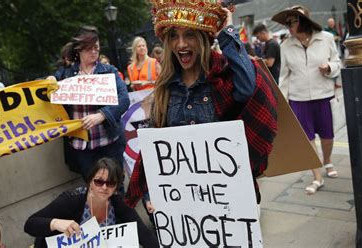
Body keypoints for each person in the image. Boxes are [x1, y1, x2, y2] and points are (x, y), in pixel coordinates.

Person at [125, 0, 277, 208]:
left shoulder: (222, 76)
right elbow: (155, 146)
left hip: (228, 199)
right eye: (174, 36)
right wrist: (152, 191)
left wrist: (227, 34)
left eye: (189, 34)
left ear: (203, 38)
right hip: (185, 203)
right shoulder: (165, 88)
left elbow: (249, 89)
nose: (181, 44)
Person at [273, 5, 341, 194]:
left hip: (323, 95)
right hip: (299, 99)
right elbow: (284, 76)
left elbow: (338, 62)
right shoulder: (285, 45)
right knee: (307, 139)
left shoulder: (325, 38)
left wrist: (329, 67)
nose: (288, 26)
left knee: (328, 137)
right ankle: (317, 177)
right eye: (287, 23)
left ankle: (327, 161)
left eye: (291, 22)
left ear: (303, 21)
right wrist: (282, 102)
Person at [24, 158, 158, 248]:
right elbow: (30, 224)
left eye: (110, 183)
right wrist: (56, 223)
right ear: (90, 182)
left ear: (116, 187)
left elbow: (145, 235)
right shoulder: (72, 199)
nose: (104, 187)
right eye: (99, 182)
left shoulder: (119, 202)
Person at [53, 28, 130, 182]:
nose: (94, 52)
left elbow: (124, 99)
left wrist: (101, 115)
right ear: (79, 50)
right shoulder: (64, 75)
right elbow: (48, 96)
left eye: (97, 48)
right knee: (93, 188)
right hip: (82, 147)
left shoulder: (109, 71)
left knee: (115, 186)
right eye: (90, 48)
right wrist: (49, 83)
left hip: (109, 141)